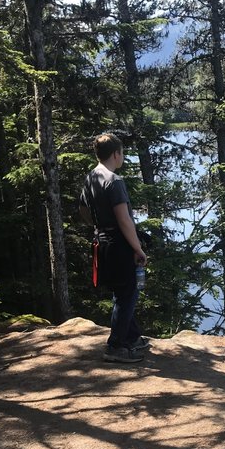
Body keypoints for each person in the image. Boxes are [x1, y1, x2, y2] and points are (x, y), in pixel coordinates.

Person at [79, 133, 150, 363]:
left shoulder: (91, 177)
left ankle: (131, 337)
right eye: (122, 153)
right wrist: (138, 248)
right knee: (128, 293)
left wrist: (98, 226)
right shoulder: (114, 180)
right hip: (119, 244)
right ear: (116, 154)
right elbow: (124, 220)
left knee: (122, 292)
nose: (123, 157)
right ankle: (116, 346)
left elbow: (84, 210)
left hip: (102, 243)